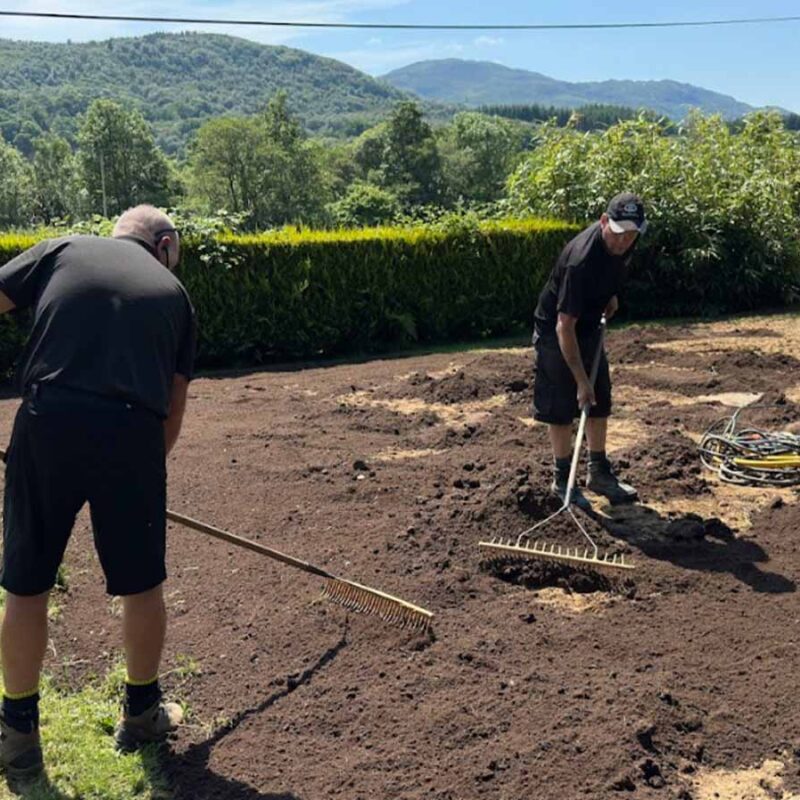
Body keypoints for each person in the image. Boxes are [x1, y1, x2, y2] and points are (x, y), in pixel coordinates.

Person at [0, 205, 196, 781]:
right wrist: (136, 474)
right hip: (134, 432)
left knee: (26, 584)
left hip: (48, 418)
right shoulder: (176, 296)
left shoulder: (62, 249)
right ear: (163, 245)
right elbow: (174, 412)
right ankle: (140, 717)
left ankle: (17, 737)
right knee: (142, 585)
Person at [532, 192, 646, 509]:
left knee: (600, 400)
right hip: (558, 332)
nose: (624, 241)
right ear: (604, 221)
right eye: (619, 233)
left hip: (589, 326)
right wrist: (580, 380)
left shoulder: (625, 243)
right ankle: (562, 480)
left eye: (632, 234)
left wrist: (610, 297)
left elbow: (611, 274)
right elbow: (563, 326)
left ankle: (598, 472)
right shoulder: (579, 260)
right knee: (562, 405)